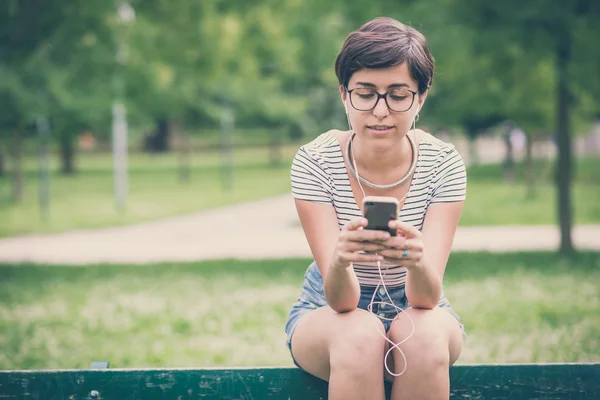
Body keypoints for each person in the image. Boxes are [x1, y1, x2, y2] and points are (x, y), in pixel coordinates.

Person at [284, 17, 467, 400]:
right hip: (328, 309)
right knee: (360, 334)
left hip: (417, 303)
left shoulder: (443, 164)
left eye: (398, 94)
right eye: (365, 93)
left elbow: (426, 300)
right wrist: (339, 260)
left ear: (420, 97)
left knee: (425, 336)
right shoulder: (314, 162)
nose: (380, 111)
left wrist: (416, 262)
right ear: (343, 94)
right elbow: (341, 302)